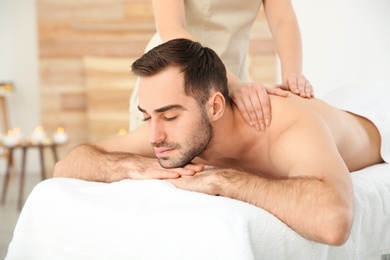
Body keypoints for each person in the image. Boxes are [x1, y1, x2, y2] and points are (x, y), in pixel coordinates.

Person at [54, 39, 385, 246]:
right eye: (146, 117)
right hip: (339, 106)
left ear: (214, 106)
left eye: (169, 117)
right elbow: (68, 164)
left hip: (378, 113)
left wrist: (224, 180)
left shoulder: (286, 125)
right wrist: (130, 165)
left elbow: (333, 221)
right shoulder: (172, 128)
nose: (154, 136)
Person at [129, 0, 314, 131]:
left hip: (233, 76)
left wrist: (292, 76)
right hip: (173, 77)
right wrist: (230, 84)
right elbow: (172, 28)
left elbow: (283, 19)